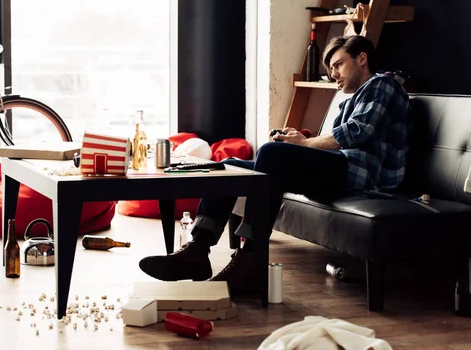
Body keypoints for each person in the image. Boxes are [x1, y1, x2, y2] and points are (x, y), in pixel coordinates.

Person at [139, 35, 412, 295]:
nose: (333, 75)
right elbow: (332, 143)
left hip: (363, 177)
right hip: (341, 170)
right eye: (331, 69)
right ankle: (198, 249)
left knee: (271, 153)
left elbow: (357, 133)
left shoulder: (382, 85)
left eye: (338, 64)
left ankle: (251, 259)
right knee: (229, 166)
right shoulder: (351, 99)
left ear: (362, 58)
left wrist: (302, 146)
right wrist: (300, 141)